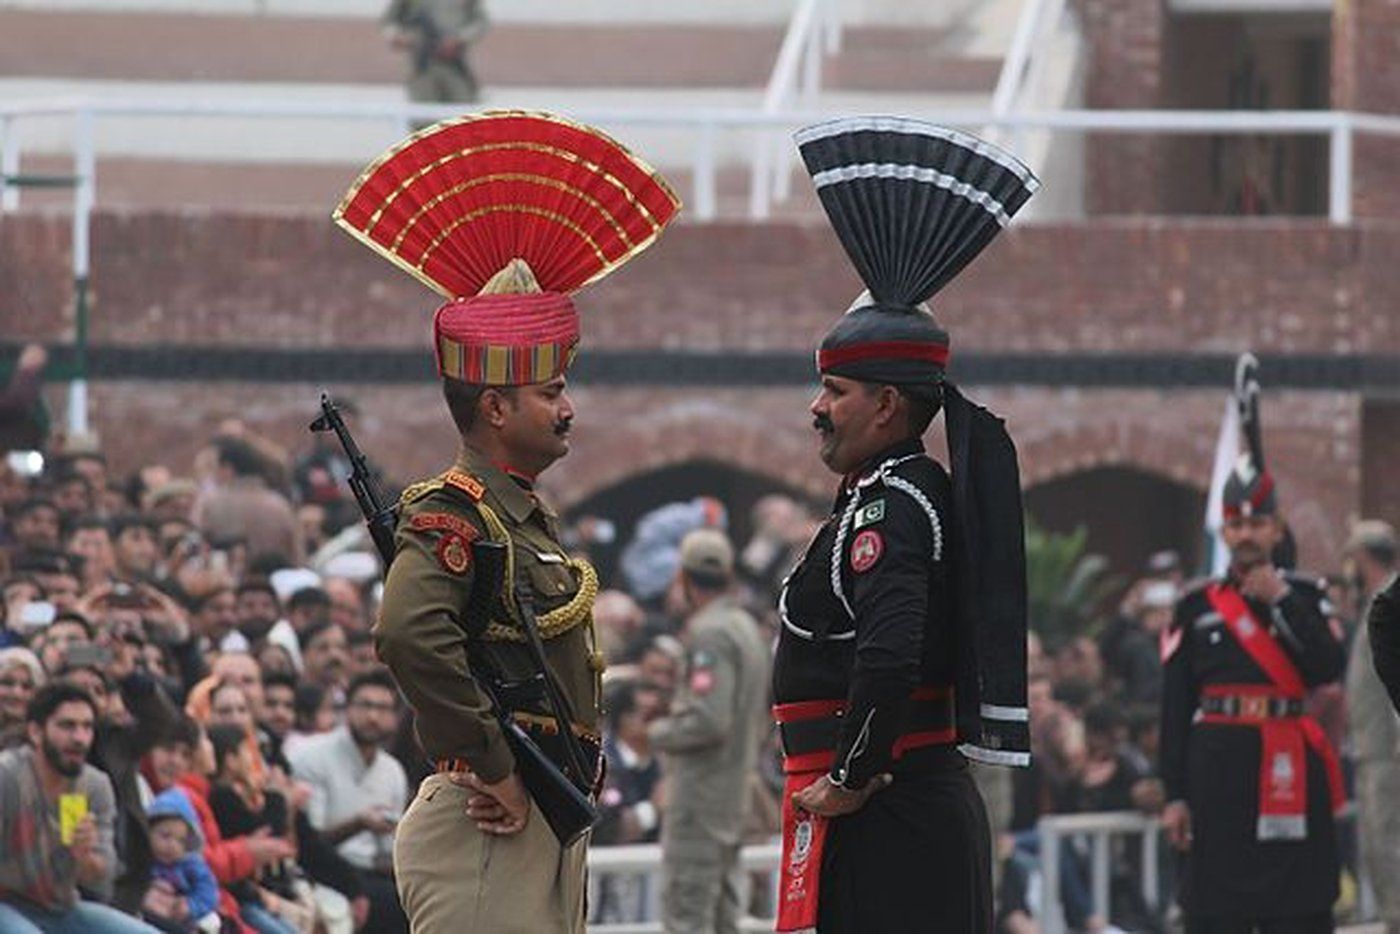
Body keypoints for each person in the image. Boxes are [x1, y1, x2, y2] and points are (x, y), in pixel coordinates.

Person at [346, 112, 679, 933]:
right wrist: (493, 763)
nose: (568, 410)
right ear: (495, 407)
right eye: (550, 394)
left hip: (541, 814)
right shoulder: (455, 512)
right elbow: (409, 634)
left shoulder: (519, 516)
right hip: (492, 815)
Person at [772, 117, 1037, 933]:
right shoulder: (885, 490)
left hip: (892, 819)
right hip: (899, 811)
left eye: (836, 393)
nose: (817, 409)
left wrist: (850, 777)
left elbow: (889, 652)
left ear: (888, 404)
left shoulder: (894, 501)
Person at [1159, 370, 1346, 934]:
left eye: (1257, 523)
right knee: (1215, 910)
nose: (1245, 535)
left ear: (1277, 528)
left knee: (1300, 908)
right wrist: (1174, 795)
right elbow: (1175, 705)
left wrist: (1283, 600)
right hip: (1219, 774)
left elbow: (1327, 668)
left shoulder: (1309, 596)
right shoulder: (1195, 607)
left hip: (1290, 764)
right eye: (1236, 523)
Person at [647, 529, 769, 934]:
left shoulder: (710, 633)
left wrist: (657, 732)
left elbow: (709, 719)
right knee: (723, 916)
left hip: (701, 798)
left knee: (688, 913)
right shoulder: (745, 627)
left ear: (683, 578)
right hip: (732, 795)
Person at [0, 683, 157, 932]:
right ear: (36, 732)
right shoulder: (7, 777)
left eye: (87, 727)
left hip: (60, 908)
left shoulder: (94, 786)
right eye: (67, 726)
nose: (79, 738)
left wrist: (84, 857)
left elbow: (101, 881)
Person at [286, 670, 408, 933]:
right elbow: (309, 844)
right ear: (347, 709)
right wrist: (359, 823)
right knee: (389, 904)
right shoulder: (312, 757)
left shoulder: (393, 771)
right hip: (325, 871)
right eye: (365, 705)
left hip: (373, 874)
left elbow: (388, 852)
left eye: (383, 708)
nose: (373, 716)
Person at [1342, 520, 1400, 932]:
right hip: (1371, 748)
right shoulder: (1375, 604)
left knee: (1389, 844)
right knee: (1378, 846)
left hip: (1388, 750)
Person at [142, 789, 222, 933]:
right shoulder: (141, 861)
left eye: (181, 841)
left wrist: (191, 906)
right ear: (148, 832)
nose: (172, 846)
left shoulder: (191, 866)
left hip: (181, 920)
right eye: (165, 836)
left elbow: (209, 892)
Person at [382, 0, 488, 106]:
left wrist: (459, 39)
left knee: (462, 111)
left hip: (454, 66)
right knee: (424, 115)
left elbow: (480, 22)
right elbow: (389, 21)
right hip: (422, 66)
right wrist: (397, 36)